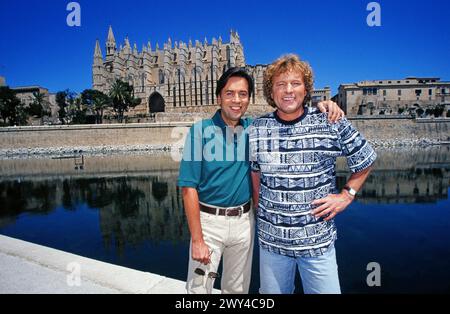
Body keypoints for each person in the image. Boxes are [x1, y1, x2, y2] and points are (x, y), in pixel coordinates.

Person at [177, 67, 344, 294]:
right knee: (199, 289)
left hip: (244, 223)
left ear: (249, 99)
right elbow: (188, 189)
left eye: (243, 94)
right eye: (230, 93)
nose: (236, 100)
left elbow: (291, 114)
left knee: (237, 290)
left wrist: (323, 106)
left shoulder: (254, 129)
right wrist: (197, 239)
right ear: (219, 97)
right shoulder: (200, 131)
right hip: (209, 224)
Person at [250, 54, 377, 294]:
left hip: (317, 244)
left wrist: (346, 195)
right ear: (271, 91)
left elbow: (365, 159)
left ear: (306, 89)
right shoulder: (258, 128)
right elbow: (255, 173)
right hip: (271, 244)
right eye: (280, 84)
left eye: (295, 83)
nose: (288, 90)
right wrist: (261, 208)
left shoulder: (330, 120)